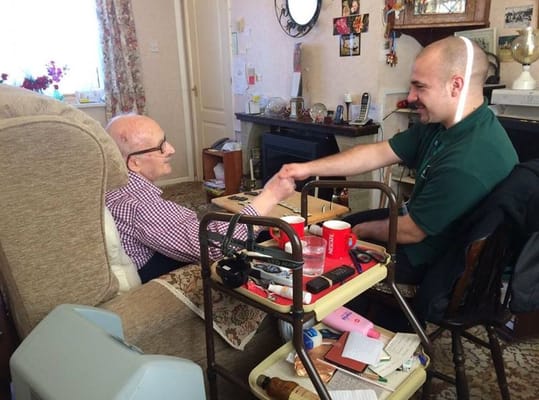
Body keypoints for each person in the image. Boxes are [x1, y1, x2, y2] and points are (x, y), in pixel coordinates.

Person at [279, 36, 518, 328]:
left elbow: (410, 232)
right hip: (422, 228)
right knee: (341, 227)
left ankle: (360, 331)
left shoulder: (470, 159)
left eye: (420, 86)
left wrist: (360, 231)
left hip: (437, 260)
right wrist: (305, 168)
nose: (411, 96)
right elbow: (377, 153)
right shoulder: (446, 123)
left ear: (456, 85)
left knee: (337, 251)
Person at [105, 114, 296, 283]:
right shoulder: (139, 206)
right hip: (171, 275)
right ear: (135, 162)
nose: (171, 149)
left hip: (169, 249)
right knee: (265, 236)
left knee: (260, 228)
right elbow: (213, 244)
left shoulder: (113, 187)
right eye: (161, 147)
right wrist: (271, 195)